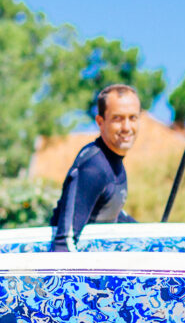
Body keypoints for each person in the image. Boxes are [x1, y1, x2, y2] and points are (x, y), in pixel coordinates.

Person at [50, 84, 141, 252]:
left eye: (133, 118)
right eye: (118, 118)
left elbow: (109, 213)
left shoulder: (113, 161)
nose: (127, 127)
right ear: (100, 122)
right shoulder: (93, 168)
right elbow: (63, 244)